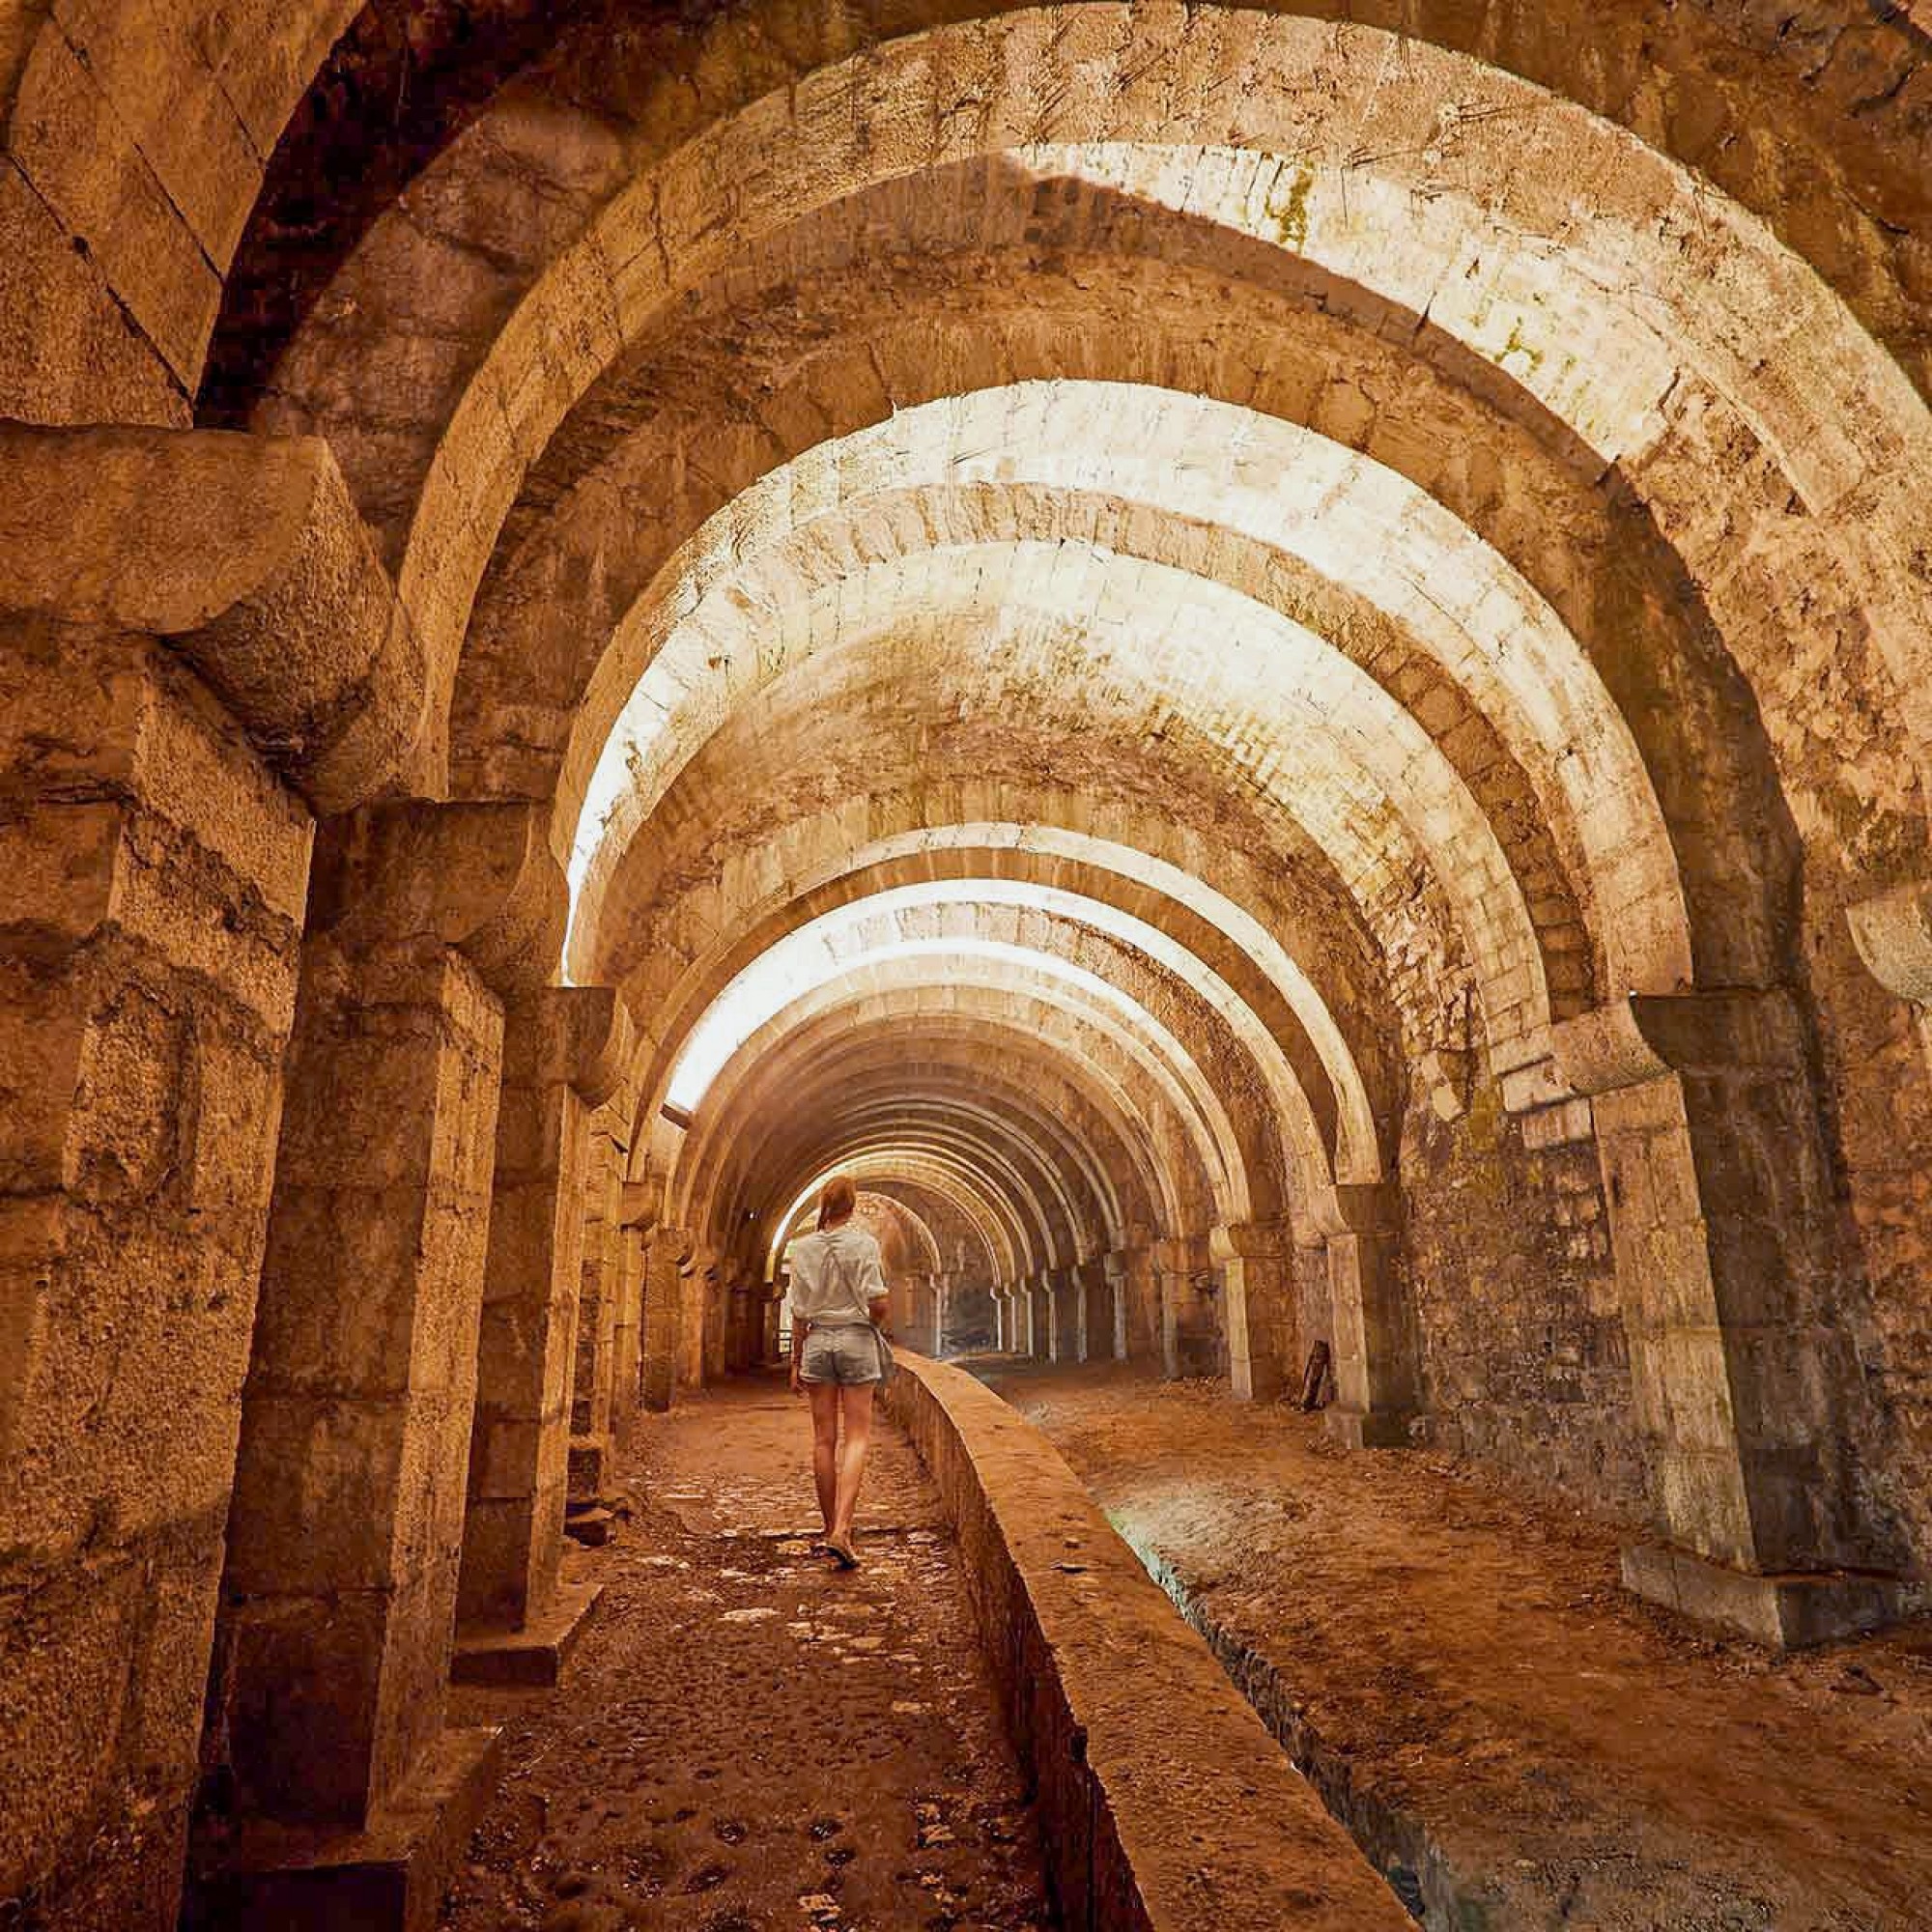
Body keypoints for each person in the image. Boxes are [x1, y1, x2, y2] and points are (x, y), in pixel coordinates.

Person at [786, 1176, 892, 1568]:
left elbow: (798, 1312)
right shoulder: (863, 1244)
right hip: (855, 1340)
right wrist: (876, 1322)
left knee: (822, 1440)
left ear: (823, 1205)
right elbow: (877, 1302)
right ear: (852, 1206)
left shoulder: (801, 1248)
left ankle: (829, 1527)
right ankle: (842, 1531)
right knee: (857, 1437)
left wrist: (796, 1361)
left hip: (816, 1342)